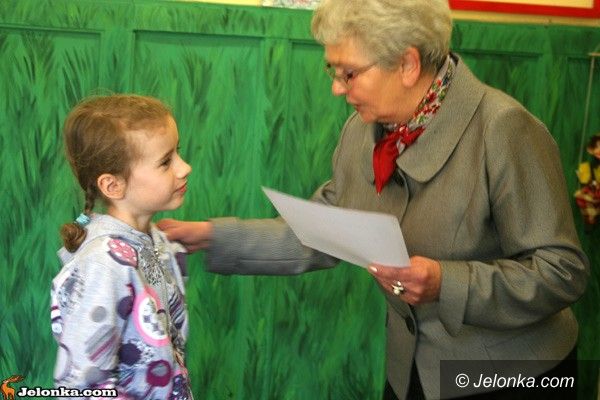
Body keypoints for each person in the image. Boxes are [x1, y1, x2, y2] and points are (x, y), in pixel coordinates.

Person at [158, 0, 589, 398]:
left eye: (348, 73)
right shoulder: (362, 131)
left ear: (407, 64)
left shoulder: (504, 129)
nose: (336, 89)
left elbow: (562, 272)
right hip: (410, 370)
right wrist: (211, 236)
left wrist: (446, 282)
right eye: (332, 71)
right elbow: (322, 232)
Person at [51, 94, 193, 399]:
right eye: (166, 162)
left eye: (177, 153)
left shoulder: (156, 241)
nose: (185, 168)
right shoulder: (104, 265)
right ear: (113, 185)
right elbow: (82, 384)